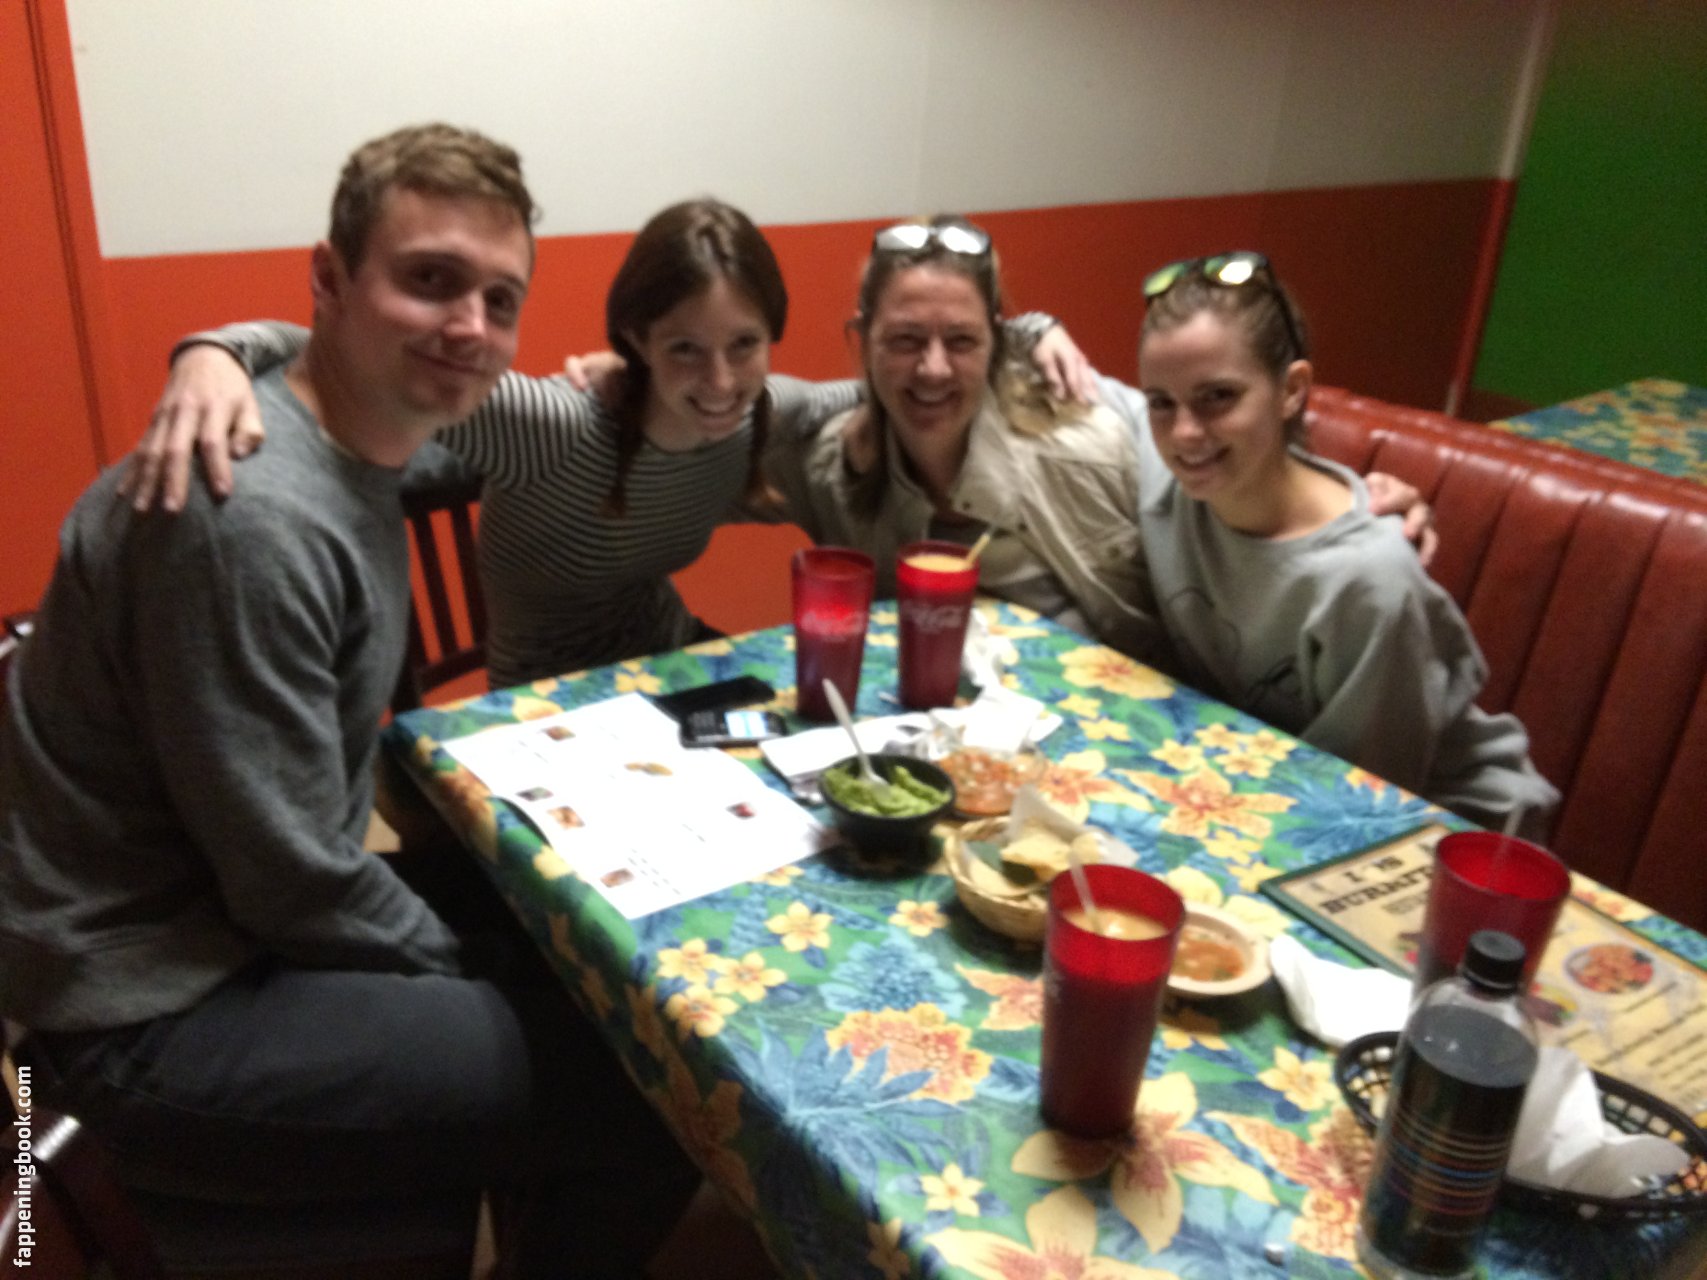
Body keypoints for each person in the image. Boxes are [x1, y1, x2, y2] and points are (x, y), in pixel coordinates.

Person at [0, 123, 697, 1275]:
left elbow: (413, 390)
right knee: (656, 1082)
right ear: (330, 277)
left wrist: (213, 343)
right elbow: (294, 883)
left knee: (597, 940)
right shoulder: (249, 521)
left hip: (231, 911)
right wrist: (473, 966)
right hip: (151, 1009)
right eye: (429, 279)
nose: (469, 326)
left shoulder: (355, 426)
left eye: (499, 299)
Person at [135, 201, 1087, 687]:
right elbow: (361, 360)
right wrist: (216, 350)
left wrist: (1026, 329)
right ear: (635, 338)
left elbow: (901, 370)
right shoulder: (552, 426)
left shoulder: (766, 409)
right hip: (543, 702)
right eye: (684, 350)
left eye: (744, 346)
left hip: (669, 662)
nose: (720, 382)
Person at [1134, 251, 1557, 834]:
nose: (1184, 432)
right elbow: (1066, 380)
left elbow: (1364, 804)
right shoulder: (1169, 474)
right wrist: (1040, 329)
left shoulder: (1366, 577)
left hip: (1445, 824)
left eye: (1219, 397)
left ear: (1291, 391)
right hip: (1280, 782)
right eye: (1161, 402)